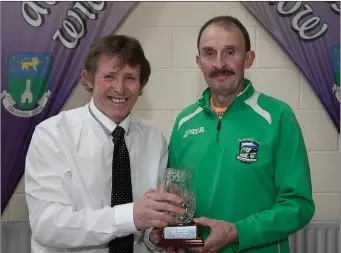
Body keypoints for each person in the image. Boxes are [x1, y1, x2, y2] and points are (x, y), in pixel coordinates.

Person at [150, 16, 315, 253]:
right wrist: (168, 231)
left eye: (230, 52)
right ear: (199, 61)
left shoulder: (277, 116)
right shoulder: (184, 121)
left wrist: (238, 232)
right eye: (209, 53)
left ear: (249, 58)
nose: (219, 64)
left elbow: (298, 205)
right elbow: (177, 199)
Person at [24, 34, 185, 253]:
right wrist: (130, 216)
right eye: (109, 76)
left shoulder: (154, 138)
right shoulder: (53, 134)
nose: (119, 88)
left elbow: (145, 226)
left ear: (142, 83)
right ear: (88, 79)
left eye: (130, 78)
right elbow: (47, 225)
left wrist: (155, 236)